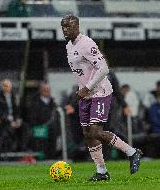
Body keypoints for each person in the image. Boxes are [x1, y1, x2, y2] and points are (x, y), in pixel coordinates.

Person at [61, 15, 142, 181]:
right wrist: (82, 91)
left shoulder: (87, 43)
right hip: (85, 95)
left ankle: (132, 152)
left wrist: (87, 88)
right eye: (63, 26)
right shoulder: (69, 45)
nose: (65, 30)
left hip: (100, 92)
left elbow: (104, 68)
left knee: (96, 131)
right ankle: (102, 171)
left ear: (77, 27)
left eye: (68, 26)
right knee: (88, 134)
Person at [29, 82, 60, 159]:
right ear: (40, 90)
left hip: (52, 128)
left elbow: (56, 116)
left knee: (53, 143)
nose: (47, 92)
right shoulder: (34, 102)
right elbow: (32, 117)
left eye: (48, 90)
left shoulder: (53, 102)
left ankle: (52, 158)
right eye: (45, 90)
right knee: (41, 146)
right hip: (40, 128)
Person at [0, 79, 29, 152]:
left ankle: (22, 149)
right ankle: (6, 152)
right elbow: (1, 113)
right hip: (4, 122)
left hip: (14, 120)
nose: (7, 88)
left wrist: (18, 119)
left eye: (8, 86)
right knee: (6, 130)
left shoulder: (14, 97)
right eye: (5, 86)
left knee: (26, 128)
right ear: (2, 87)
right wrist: (10, 121)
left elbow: (18, 111)